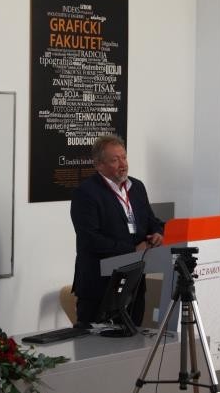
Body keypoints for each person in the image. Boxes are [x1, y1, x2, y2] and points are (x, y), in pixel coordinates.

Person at [70, 135, 164, 327]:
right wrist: (132, 250)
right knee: (95, 342)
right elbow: (90, 239)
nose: (123, 165)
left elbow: (151, 221)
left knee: (133, 339)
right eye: (115, 160)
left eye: (124, 157)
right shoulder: (86, 193)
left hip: (134, 283)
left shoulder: (137, 187)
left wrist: (157, 233)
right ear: (99, 165)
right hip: (99, 286)